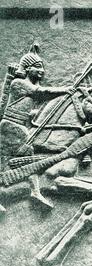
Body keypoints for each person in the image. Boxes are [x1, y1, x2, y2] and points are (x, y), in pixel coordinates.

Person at [0, 43, 75, 209]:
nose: (42, 71)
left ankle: (34, 191)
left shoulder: (27, 86)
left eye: (42, 67)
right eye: (37, 67)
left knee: (29, 158)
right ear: (27, 69)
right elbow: (41, 93)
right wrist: (65, 89)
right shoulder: (18, 83)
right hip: (10, 127)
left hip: (20, 126)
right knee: (4, 161)